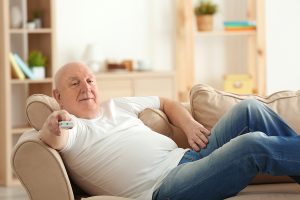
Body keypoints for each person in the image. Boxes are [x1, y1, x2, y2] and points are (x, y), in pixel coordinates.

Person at [40, 61, 300, 200]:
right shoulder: (73, 126)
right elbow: (54, 136)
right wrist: (54, 123)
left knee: (251, 108)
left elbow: (166, 102)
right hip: (167, 187)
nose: (85, 88)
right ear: (58, 95)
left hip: (190, 157)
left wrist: (189, 125)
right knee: (252, 145)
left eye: (89, 80)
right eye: (75, 84)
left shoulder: (117, 106)